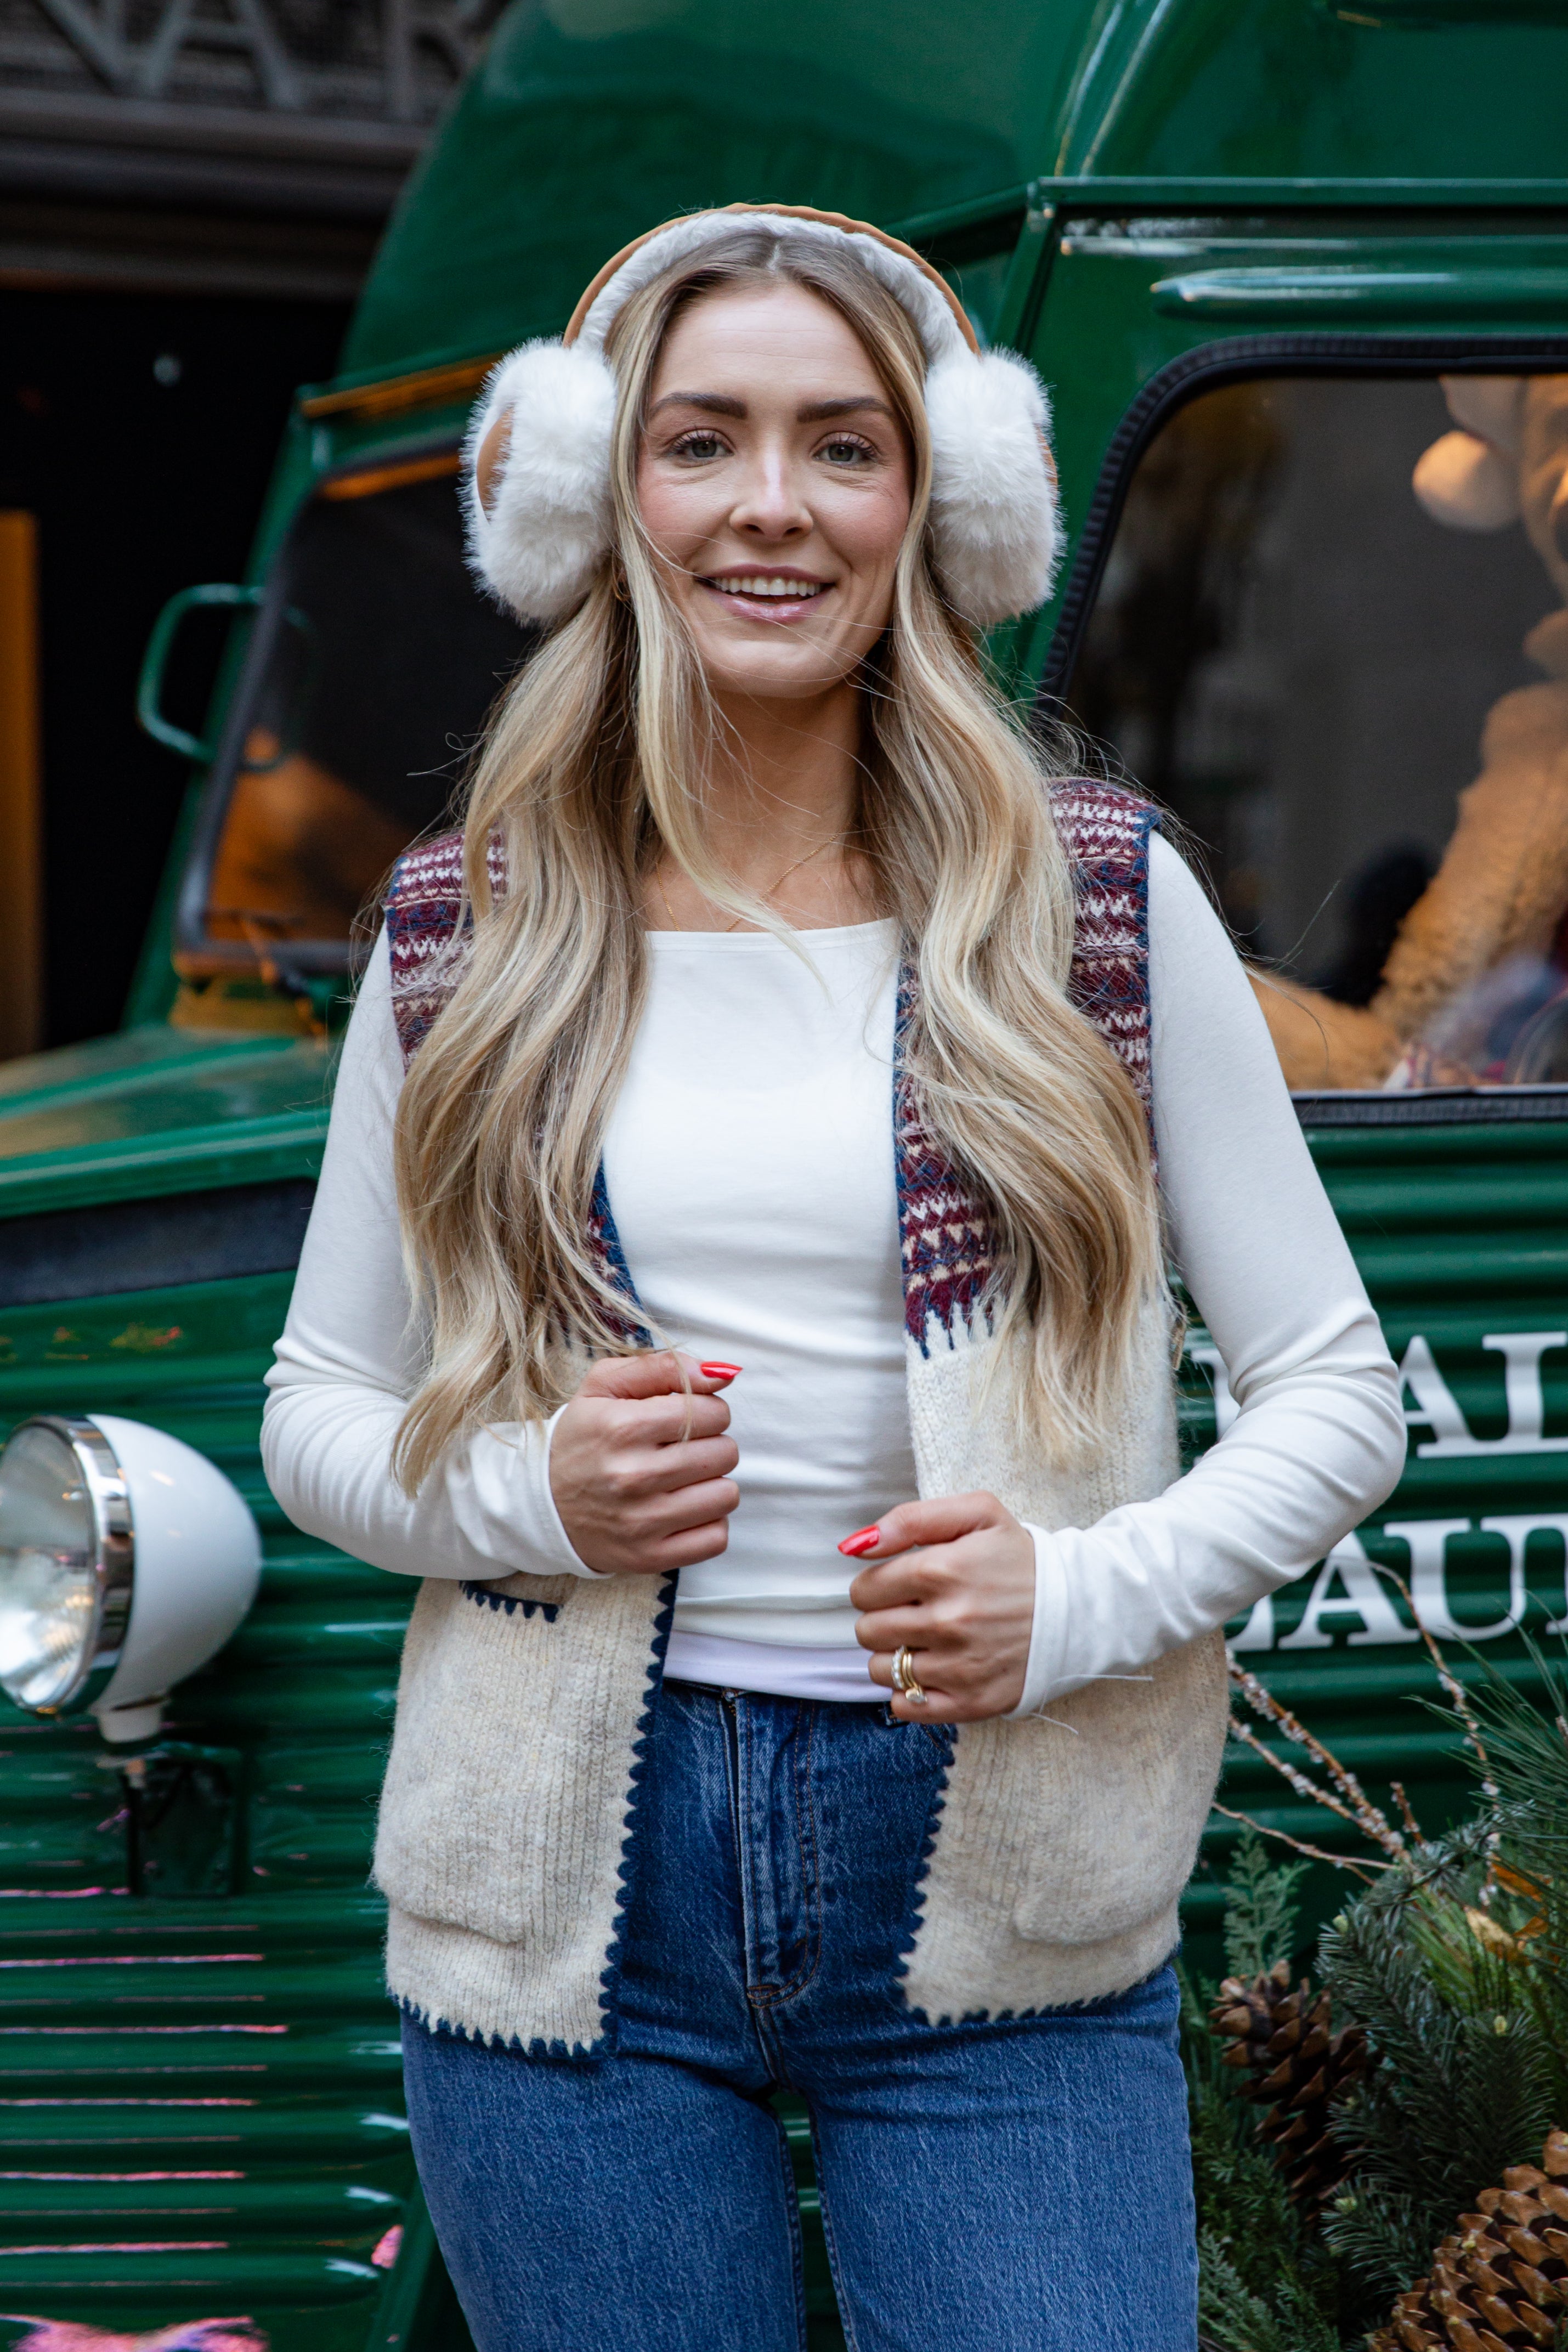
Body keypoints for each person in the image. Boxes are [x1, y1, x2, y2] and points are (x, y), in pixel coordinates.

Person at [261, 203, 1407, 2352]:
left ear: (934, 503)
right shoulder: (464, 931)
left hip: (997, 1880)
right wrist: (530, 1496)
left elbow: (1339, 1394)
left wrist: (1069, 1596)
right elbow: (316, 1409)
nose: (770, 506)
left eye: (841, 447)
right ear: (608, 492)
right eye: (703, 442)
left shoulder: (1092, 909)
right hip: (566, 1913)